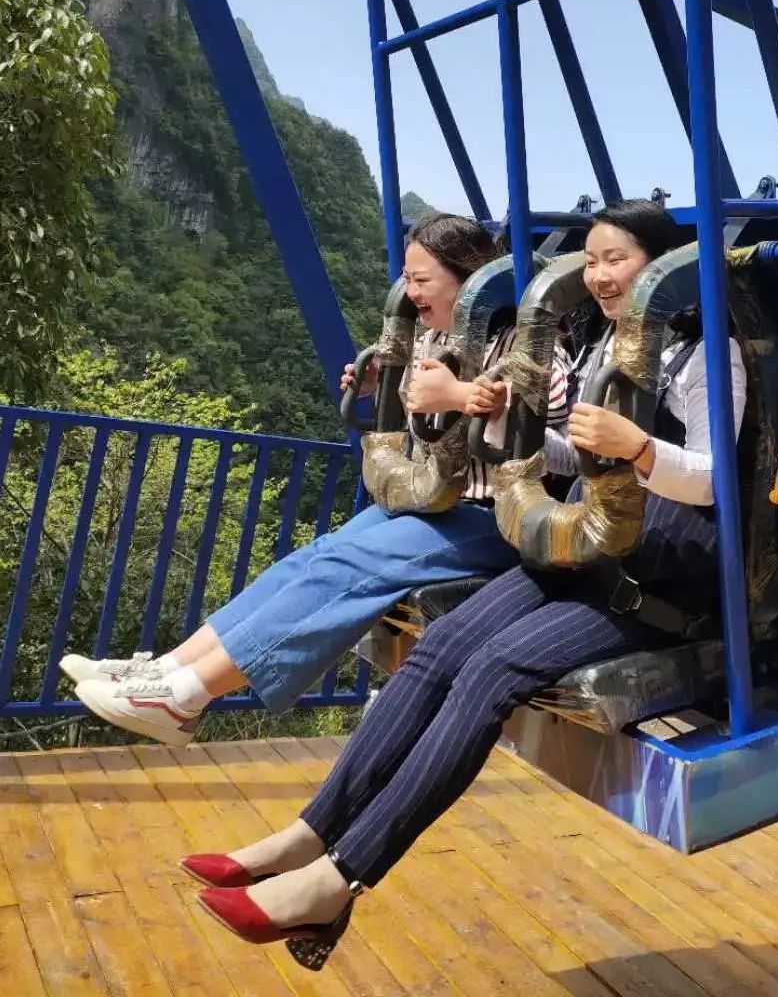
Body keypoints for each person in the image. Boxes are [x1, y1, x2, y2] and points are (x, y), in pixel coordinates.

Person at [186, 199, 747, 970]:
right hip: (581, 545)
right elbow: (560, 456)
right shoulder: (595, 353)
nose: (600, 275)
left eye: (616, 259)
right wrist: (487, 421)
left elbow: (717, 481)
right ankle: (308, 836)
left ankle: (338, 877)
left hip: (661, 572)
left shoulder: (700, 358)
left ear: (661, 267)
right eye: (590, 261)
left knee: (490, 671)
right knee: (440, 646)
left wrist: (641, 449)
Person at [64, 214, 571, 747]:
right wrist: (383, 385)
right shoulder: (436, 338)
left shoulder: (529, 346)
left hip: (495, 519)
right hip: (433, 500)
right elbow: (426, 422)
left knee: (344, 568)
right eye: (408, 279)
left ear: (468, 279)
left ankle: (187, 694)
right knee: (313, 559)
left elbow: (556, 446)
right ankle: (165, 670)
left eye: (423, 280)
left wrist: (465, 399)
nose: (412, 292)